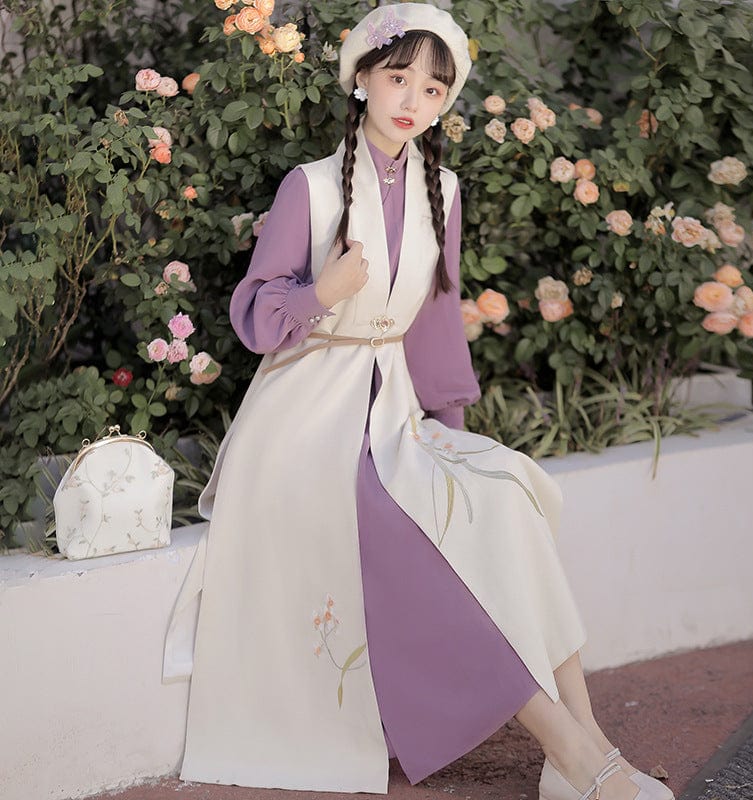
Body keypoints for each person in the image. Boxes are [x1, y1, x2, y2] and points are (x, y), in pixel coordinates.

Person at [163, 5, 673, 800]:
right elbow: (258, 319)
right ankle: (576, 756)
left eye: (433, 89)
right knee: (409, 528)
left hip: (394, 415)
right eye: (398, 77)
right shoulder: (310, 187)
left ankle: (586, 742)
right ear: (362, 78)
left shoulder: (445, 189)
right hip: (305, 422)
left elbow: (435, 322)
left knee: (505, 496)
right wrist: (322, 291)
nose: (412, 101)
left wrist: (450, 441)